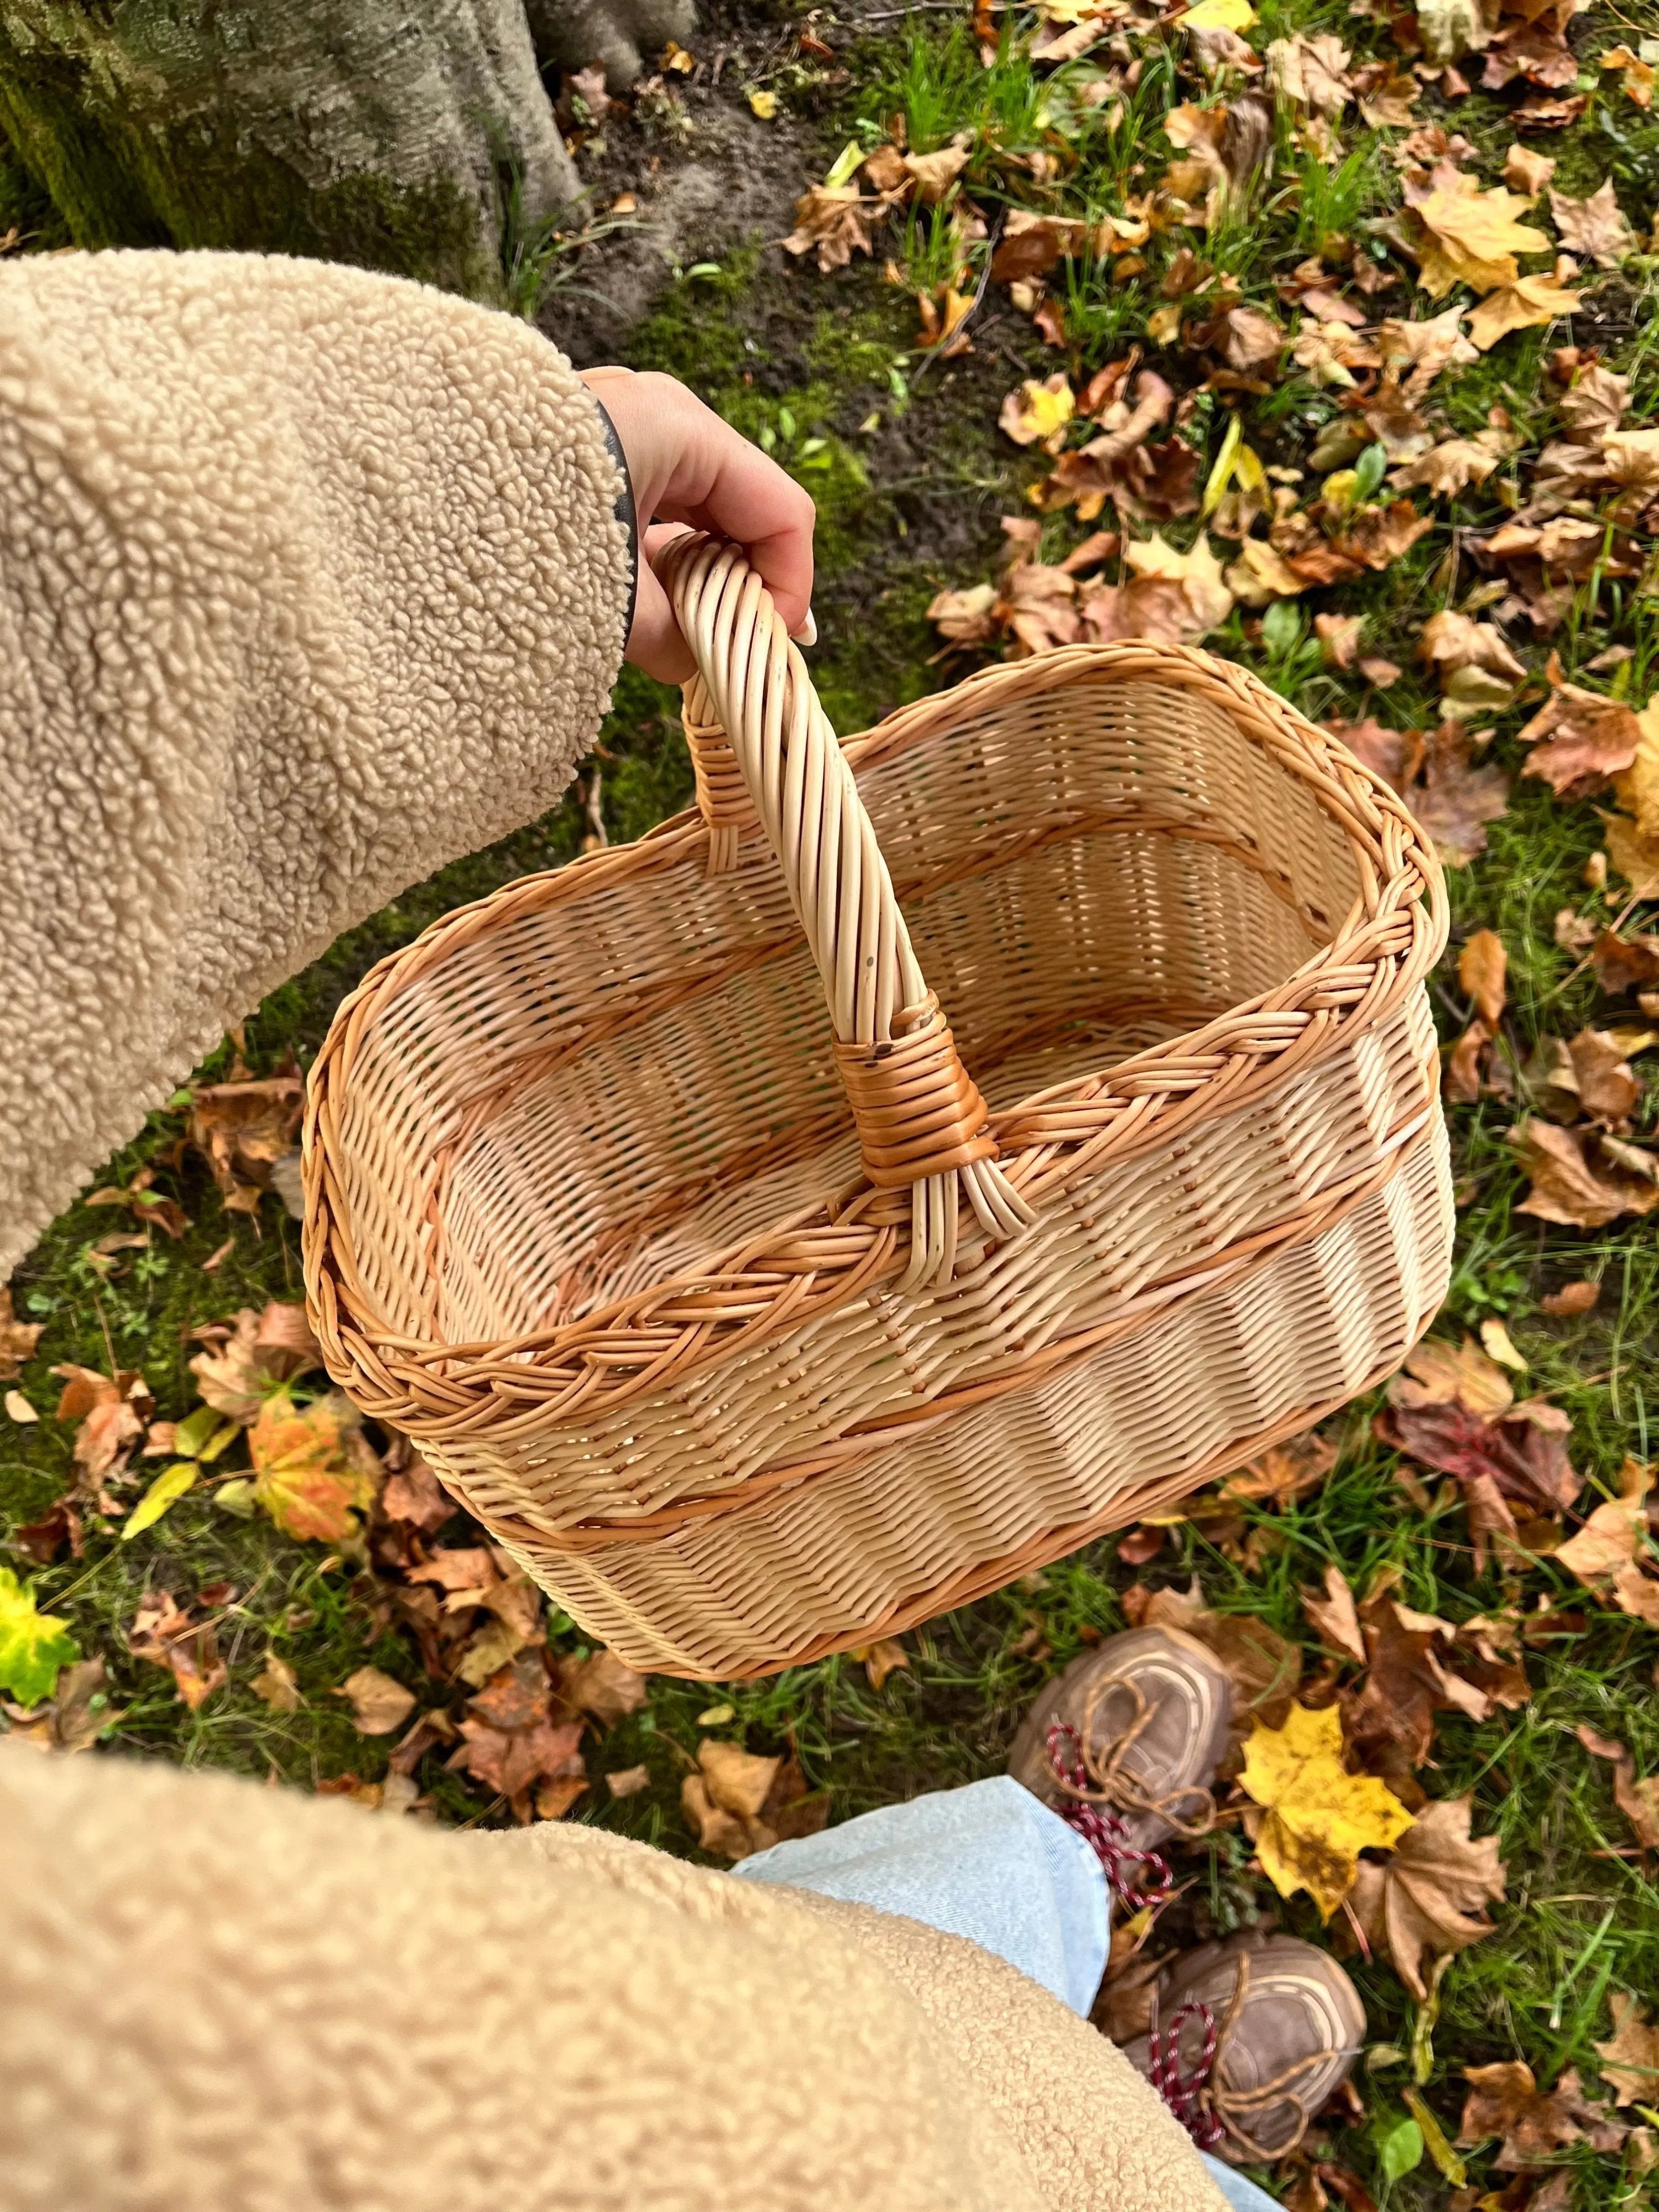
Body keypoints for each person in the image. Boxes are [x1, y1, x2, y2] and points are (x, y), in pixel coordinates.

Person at [0, 251, 1363, 2211]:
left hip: (509, 2066)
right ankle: (1143, 2130)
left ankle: (1032, 1892)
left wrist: (482, 506)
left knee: (827, 2010)